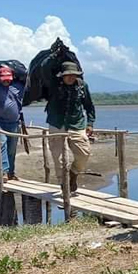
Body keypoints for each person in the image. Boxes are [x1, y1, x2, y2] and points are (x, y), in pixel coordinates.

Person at [46, 61, 96, 194]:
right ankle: (64, 186)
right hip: (57, 124)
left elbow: (89, 106)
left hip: (76, 124)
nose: (71, 77)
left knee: (84, 153)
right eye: (68, 75)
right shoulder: (53, 85)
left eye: (74, 75)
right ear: (62, 75)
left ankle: (73, 174)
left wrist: (90, 123)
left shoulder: (82, 86)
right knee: (59, 159)